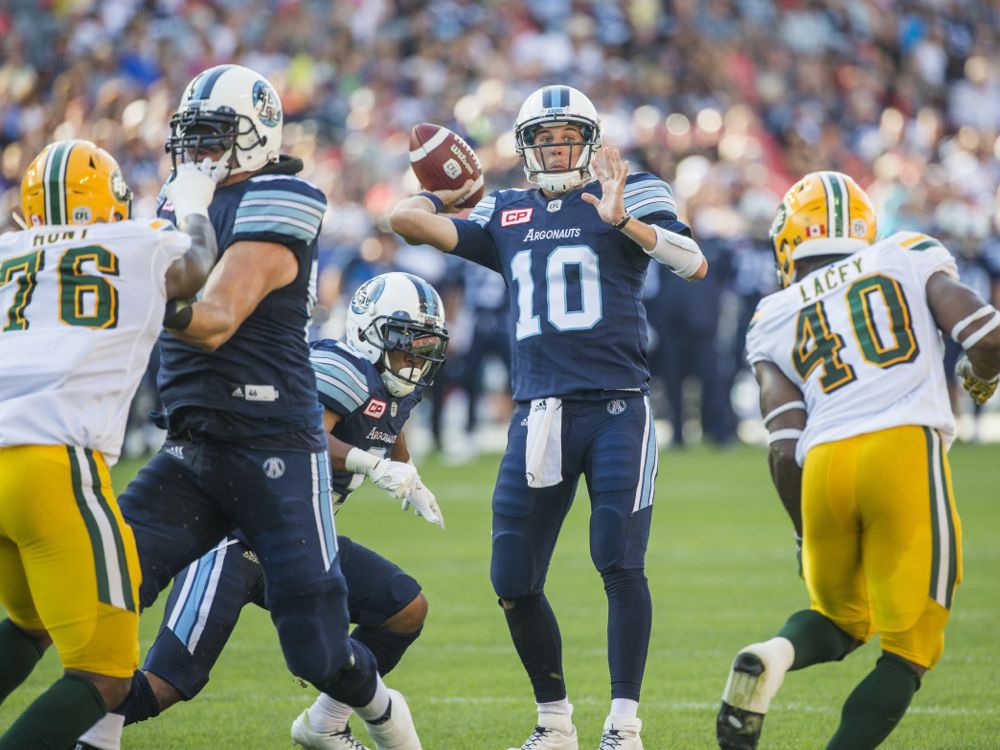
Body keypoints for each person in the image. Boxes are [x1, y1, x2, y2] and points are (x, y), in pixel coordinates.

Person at [75, 65, 421, 750]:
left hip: (276, 453)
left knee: (317, 654)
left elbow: (211, 317)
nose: (201, 151)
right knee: (101, 593)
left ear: (261, 134)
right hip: (193, 449)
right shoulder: (184, 201)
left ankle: (385, 714)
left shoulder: (281, 197)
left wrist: (149, 263)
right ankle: (98, 734)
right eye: (192, 136)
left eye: (216, 134)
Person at [390, 84, 708, 750]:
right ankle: (555, 722)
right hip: (538, 412)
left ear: (589, 143)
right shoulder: (507, 211)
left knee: (617, 562)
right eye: (543, 137)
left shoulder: (630, 192)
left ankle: (625, 727)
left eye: (567, 136)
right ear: (525, 146)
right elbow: (405, 222)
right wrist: (448, 191)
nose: (556, 147)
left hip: (616, 406)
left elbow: (693, 263)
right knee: (511, 578)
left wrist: (626, 222)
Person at [100, 272, 448, 750]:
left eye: (423, 348)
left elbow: (389, 424)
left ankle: (326, 723)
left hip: (298, 540)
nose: (415, 361)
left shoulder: (397, 388)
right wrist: (370, 463)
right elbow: (300, 436)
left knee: (405, 610)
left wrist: (409, 476)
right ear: (370, 332)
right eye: (406, 346)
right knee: (165, 686)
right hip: (232, 538)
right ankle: (74, 724)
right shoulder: (342, 366)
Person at [715, 171, 1000, 750]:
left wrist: (804, 535)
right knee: (910, 649)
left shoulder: (771, 312)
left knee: (841, 619)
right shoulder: (906, 253)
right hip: (901, 448)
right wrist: (979, 378)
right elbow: (988, 337)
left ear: (790, 240)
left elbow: (782, 444)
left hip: (822, 465)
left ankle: (770, 656)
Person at [0, 138, 219, 749]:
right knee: (106, 674)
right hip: (56, 462)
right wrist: (195, 203)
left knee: (29, 624)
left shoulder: (7, 251)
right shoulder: (136, 240)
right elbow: (196, 267)